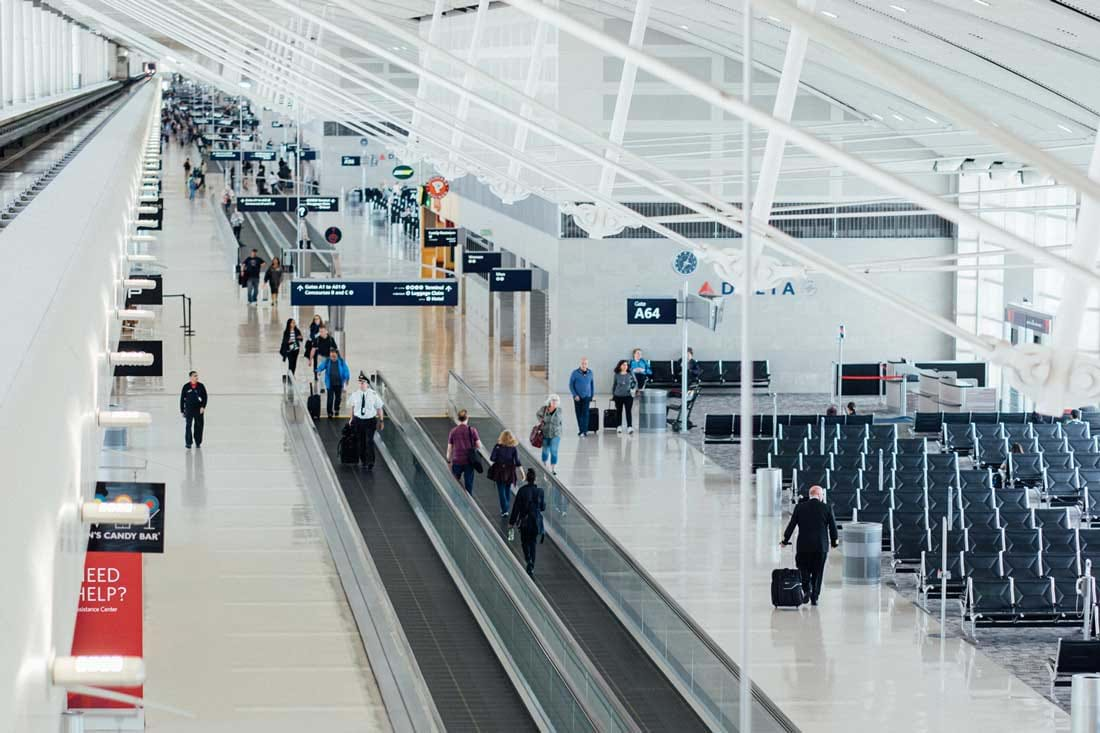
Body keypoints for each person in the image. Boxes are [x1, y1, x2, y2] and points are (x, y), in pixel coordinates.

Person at [780, 485, 838, 606]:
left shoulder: (800, 507)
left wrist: (785, 540)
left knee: (803, 568)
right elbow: (833, 527)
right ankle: (815, 597)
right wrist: (834, 542)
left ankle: (807, 589)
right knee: (818, 571)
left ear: (810, 494)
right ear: (820, 495)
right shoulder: (827, 508)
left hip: (803, 545)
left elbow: (791, 525)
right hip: (820, 546)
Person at [509, 469, 545, 576]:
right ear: (535, 479)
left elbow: (516, 508)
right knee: (533, 543)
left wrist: (511, 522)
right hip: (535, 522)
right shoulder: (540, 492)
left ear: (527, 479)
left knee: (524, 542)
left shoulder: (522, 491)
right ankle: (531, 565)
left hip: (524, 522)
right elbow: (542, 507)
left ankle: (528, 559)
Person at [348, 372, 384, 470]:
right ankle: (363, 460)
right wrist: (351, 418)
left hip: (370, 421)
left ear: (367, 384)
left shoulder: (373, 395)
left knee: (369, 441)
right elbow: (352, 407)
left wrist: (381, 421)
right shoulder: (355, 394)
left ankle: (370, 461)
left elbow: (379, 408)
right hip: (358, 420)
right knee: (361, 441)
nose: (361, 384)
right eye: (359, 382)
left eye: (363, 382)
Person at [447, 409, 482, 495]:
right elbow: (479, 445)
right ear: (467, 418)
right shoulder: (472, 430)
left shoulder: (453, 431)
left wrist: (448, 460)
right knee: (468, 485)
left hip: (457, 460)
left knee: (455, 484)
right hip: (469, 461)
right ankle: (469, 504)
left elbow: (449, 448)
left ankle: (455, 501)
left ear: (458, 418)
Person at [489, 430, 522, 517]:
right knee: (507, 489)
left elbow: (492, 458)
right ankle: (506, 508)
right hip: (510, 471)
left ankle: (505, 509)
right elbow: (517, 461)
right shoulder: (514, 448)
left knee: (501, 491)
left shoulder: (497, 447)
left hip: (499, 471)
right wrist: (522, 472)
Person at [314, 349, 349, 418]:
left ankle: (336, 409)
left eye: (334, 356)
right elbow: (321, 366)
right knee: (330, 398)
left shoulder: (341, 362)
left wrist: (347, 378)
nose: (332, 358)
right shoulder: (327, 361)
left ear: (337, 355)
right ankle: (329, 412)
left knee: (338, 398)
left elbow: (346, 370)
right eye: (331, 356)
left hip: (339, 383)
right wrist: (318, 370)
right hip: (330, 384)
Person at [179, 370, 208, 449]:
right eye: (195, 376)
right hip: (189, 409)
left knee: (198, 426)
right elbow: (182, 399)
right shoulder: (186, 386)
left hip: (199, 409)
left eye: (197, 376)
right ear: (190, 377)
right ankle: (188, 443)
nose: (196, 377)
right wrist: (182, 410)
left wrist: (203, 407)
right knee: (188, 426)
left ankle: (198, 442)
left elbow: (205, 397)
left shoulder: (201, 386)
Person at [536, 395, 563, 474]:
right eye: (553, 400)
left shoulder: (559, 410)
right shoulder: (544, 409)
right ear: (550, 401)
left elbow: (558, 421)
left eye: (556, 401)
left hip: (556, 434)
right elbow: (538, 414)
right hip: (545, 433)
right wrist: (541, 421)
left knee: (554, 450)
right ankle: (544, 465)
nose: (554, 402)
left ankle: (553, 469)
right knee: (545, 450)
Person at [568, 357, 595, 438]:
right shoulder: (575, 373)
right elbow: (571, 385)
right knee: (579, 414)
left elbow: (592, 384)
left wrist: (591, 395)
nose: (584, 365)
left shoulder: (590, 372)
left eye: (585, 363)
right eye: (583, 363)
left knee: (585, 413)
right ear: (580, 364)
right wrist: (575, 395)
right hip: (577, 397)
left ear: (587, 364)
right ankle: (581, 430)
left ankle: (584, 430)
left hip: (587, 396)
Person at [612, 360, 638, 435]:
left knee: (628, 411)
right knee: (619, 411)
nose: (625, 366)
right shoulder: (617, 374)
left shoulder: (630, 373)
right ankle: (619, 426)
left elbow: (635, 382)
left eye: (626, 365)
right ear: (620, 366)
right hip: (618, 396)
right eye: (623, 365)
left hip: (628, 396)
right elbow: (614, 385)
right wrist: (613, 395)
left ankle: (629, 427)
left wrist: (634, 390)